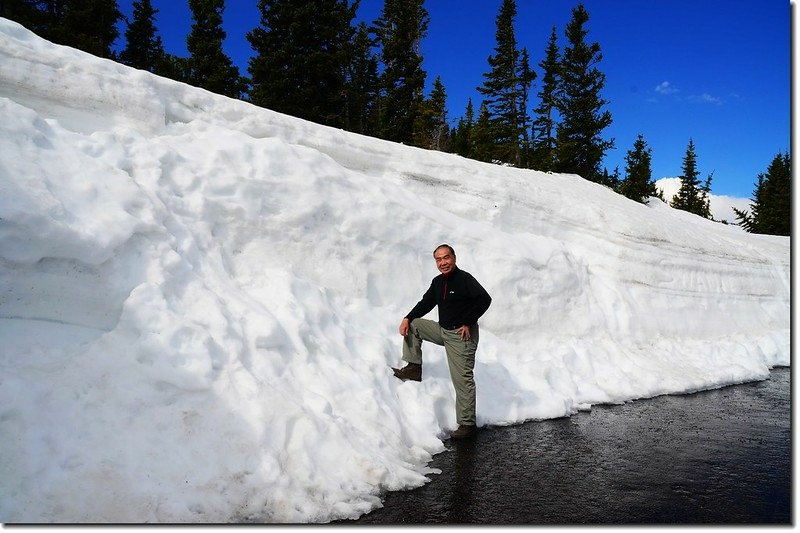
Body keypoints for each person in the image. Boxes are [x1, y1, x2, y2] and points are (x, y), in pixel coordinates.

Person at [393, 244, 492, 439]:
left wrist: (468, 321)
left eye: (446, 258)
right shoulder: (438, 282)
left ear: (454, 257)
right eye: (439, 259)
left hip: (461, 336)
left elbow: (484, 299)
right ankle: (414, 368)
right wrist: (407, 317)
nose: (443, 262)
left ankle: (467, 424)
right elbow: (426, 303)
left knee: (462, 380)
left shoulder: (465, 279)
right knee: (415, 325)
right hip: (443, 330)